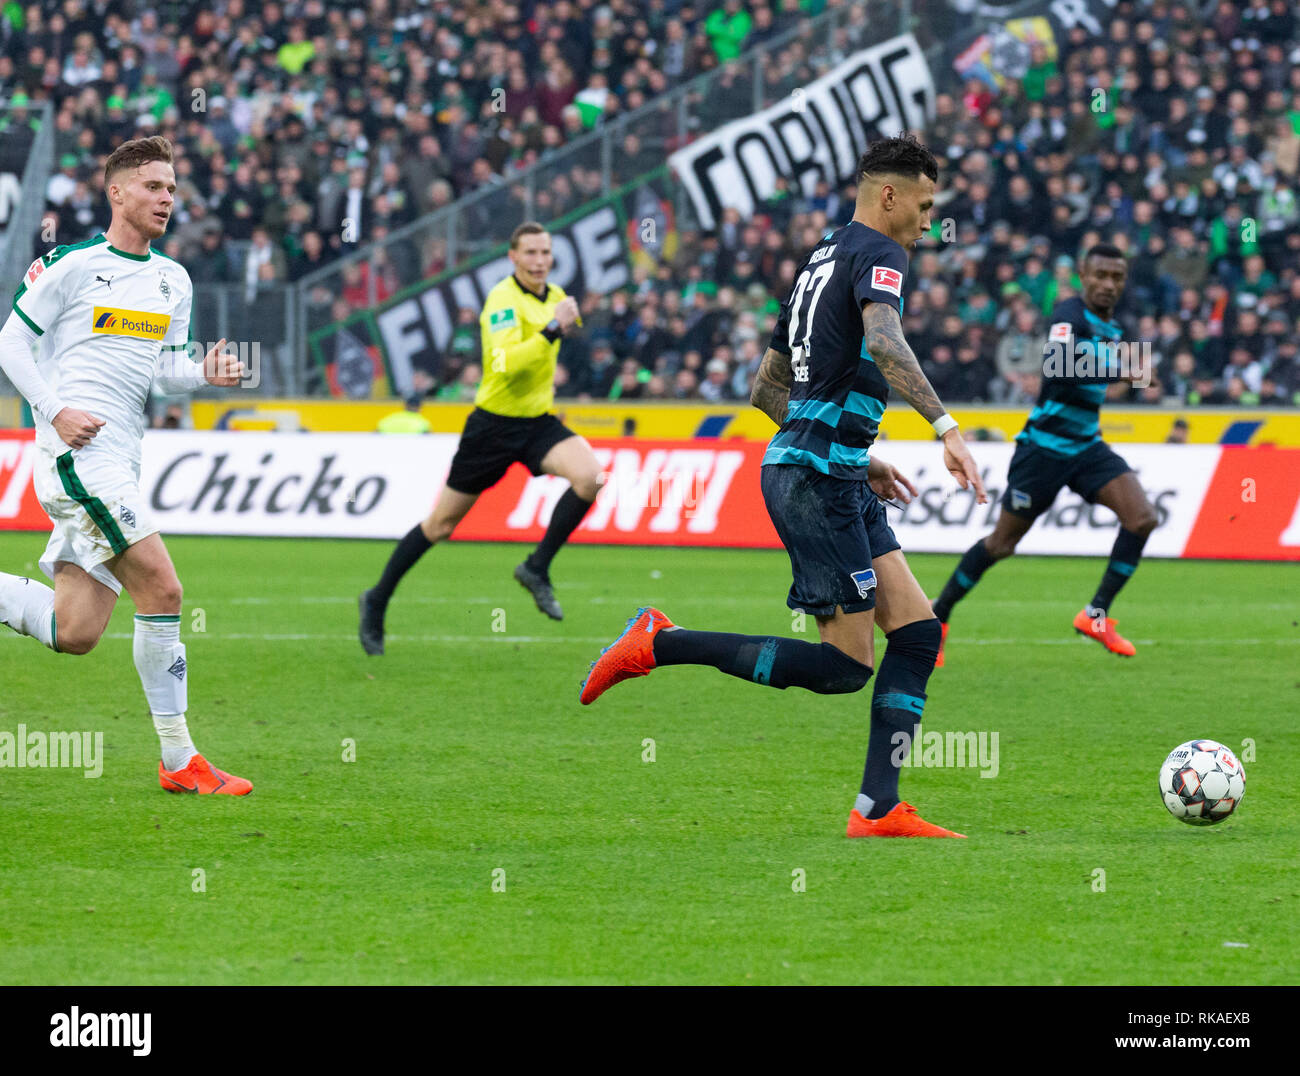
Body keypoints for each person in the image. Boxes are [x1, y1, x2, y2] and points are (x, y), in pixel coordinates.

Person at [579, 135, 987, 839]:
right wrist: (945, 427)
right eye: (923, 206)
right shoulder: (879, 254)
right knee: (843, 668)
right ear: (888, 196)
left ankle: (879, 808)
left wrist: (858, 454)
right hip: (814, 481)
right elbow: (885, 343)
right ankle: (659, 641)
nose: (929, 223)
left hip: (831, 470)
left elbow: (764, 387)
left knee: (919, 634)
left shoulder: (822, 256)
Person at [0, 135, 252, 795]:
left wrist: (203, 372)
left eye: (172, 189)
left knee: (75, 629)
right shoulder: (73, 265)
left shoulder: (172, 279)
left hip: (121, 459)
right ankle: (180, 761)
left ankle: (179, 763)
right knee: (163, 591)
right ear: (118, 193)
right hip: (78, 458)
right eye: (153, 187)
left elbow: (163, 371)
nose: (167, 198)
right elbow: (11, 343)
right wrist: (54, 411)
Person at [358, 221, 602, 653]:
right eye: (530, 253)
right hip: (492, 426)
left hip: (537, 422)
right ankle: (376, 599)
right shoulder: (502, 300)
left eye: (545, 253)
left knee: (590, 478)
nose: (540, 261)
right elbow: (504, 362)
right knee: (440, 525)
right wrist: (552, 329)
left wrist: (567, 325)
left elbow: (566, 333)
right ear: (513, 257)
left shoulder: (559, 298)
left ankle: (536, 567)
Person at [931, 244, 1158, 661]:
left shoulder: (1117, 328)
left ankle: (1096, 615)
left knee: (1142, 519)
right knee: (1001, 544)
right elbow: (1057, 366)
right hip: (1042, 449)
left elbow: (1132, 375)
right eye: (1100, 275)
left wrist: (1138, 374)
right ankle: (937, 616)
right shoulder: (1068, 314)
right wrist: (1123, 369)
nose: (1108, 284)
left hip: (1086, 445)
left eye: (1116, 277)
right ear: (1084, 276)